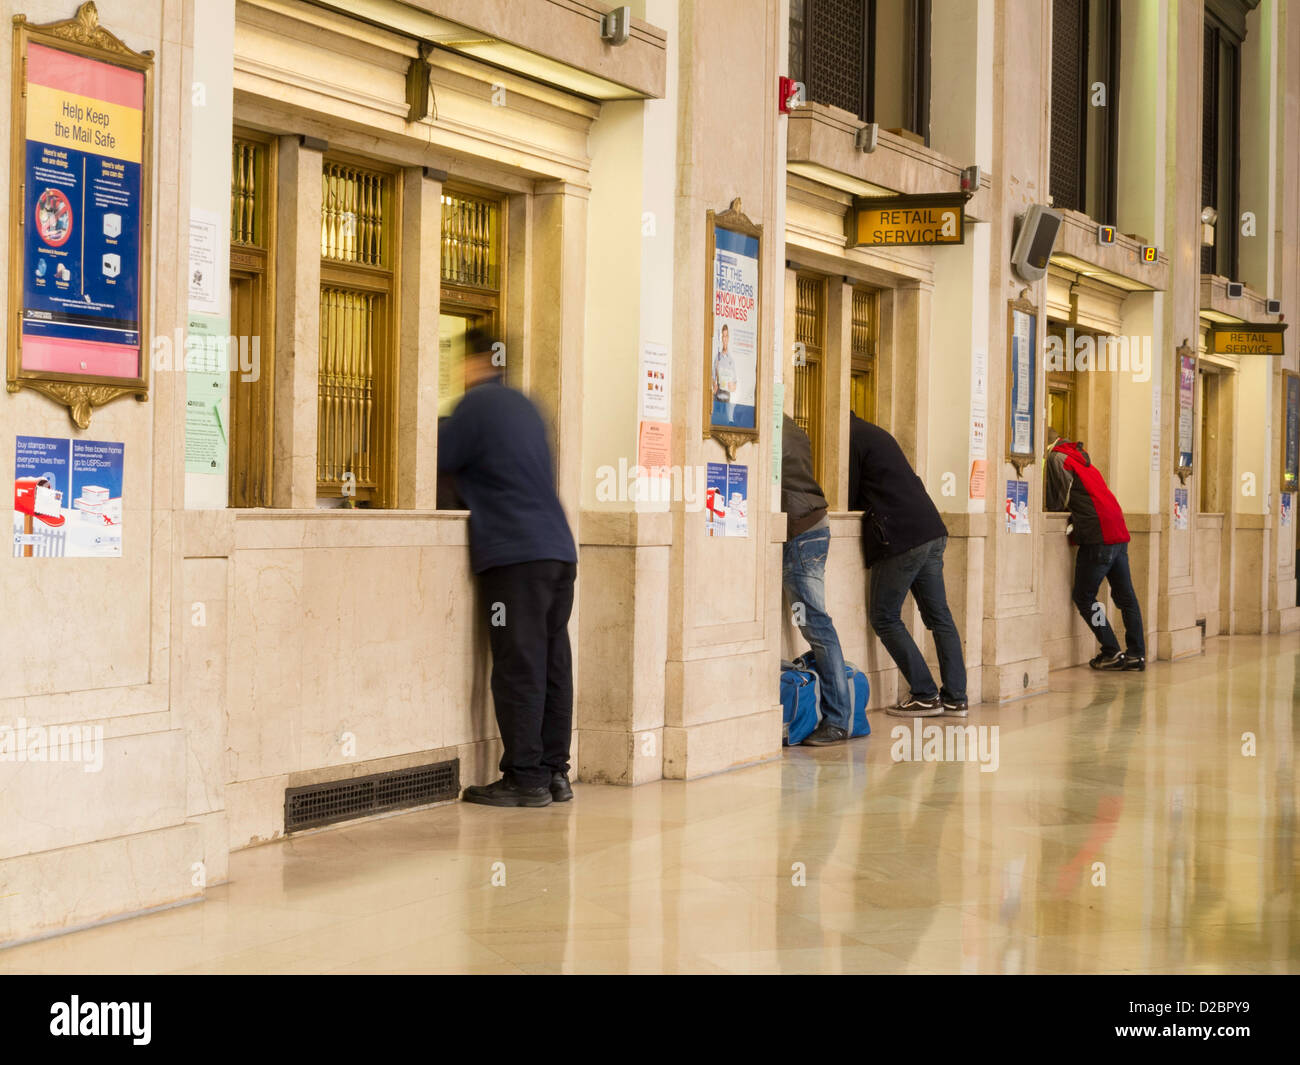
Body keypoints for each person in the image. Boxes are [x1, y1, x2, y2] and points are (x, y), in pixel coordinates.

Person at [437, 329, 579, 806]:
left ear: (473, 363)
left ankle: (525, 779)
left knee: (519, 664)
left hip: (515, 556)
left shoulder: (474, 406)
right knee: (552, 662)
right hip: (559, 551)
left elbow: (435, 459)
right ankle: (555, 774)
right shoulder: (528, 405)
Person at [849, 412, 968, 718]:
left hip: (903, 535)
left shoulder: (846, 436)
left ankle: (924, 693)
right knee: (939, 616)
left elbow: (846, 493)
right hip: (932, 528)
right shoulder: (875, 432)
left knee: (884, 616)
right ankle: (956, 697)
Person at [1044, 427, 1146, 671]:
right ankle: (1136, 654)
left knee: (1084, 596)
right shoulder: (1080, 456)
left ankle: (1111, 650)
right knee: (1126, 597)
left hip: (1097, 534)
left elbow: (1056, 499)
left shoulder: (1057, 458)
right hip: (1118, 531)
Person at [781, 414, 854, 745]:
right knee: (811, 623)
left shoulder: (762, 418)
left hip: (799, 534)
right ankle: (836, 716)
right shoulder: (789, 422)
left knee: (816, 626)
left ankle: (838, 720)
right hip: (813, 526)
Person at [712, 324, 738, 425]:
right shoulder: (717, 358)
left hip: (727, 401)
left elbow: (734, 387)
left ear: (729, 338)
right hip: (717, 401)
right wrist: (714, 385)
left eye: (726, 336)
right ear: (721, 338)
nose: (725, 339)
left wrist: (732, 386)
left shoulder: (732, 360)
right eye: (723, 336)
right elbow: (713, 382)